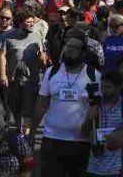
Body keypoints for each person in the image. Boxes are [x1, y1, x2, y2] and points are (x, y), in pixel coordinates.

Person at [29, 36, 101, 177]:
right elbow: (42, 104)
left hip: (80, 141)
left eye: (75, 47)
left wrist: (93, 133)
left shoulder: (93, 75)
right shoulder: (52, 72)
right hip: (52, 139)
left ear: (82, 53)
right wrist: (32, 132)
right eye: (68, 46)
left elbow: (96, 106)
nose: (70, 50)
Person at [0, 9, 47, 133]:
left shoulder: (36, 36)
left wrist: (43, 58)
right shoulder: (8, 36)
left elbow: (42, 54)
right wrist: (3, 74)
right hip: (13, 78)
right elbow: (2, 55)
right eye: (28, 22)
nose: (31, 25)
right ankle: (18, 129)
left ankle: (25, 134)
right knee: (15, 106)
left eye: (32, 22)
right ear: (20, 23)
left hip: (31, 79)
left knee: (28, 108)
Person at [83, 71, 123, 176]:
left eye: (108, 87)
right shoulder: (94, 105)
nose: (103, 91)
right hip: (94, 167)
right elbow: (84, 132)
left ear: (118, 88)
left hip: (118, 168)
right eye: (102, 87)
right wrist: (89, 118)